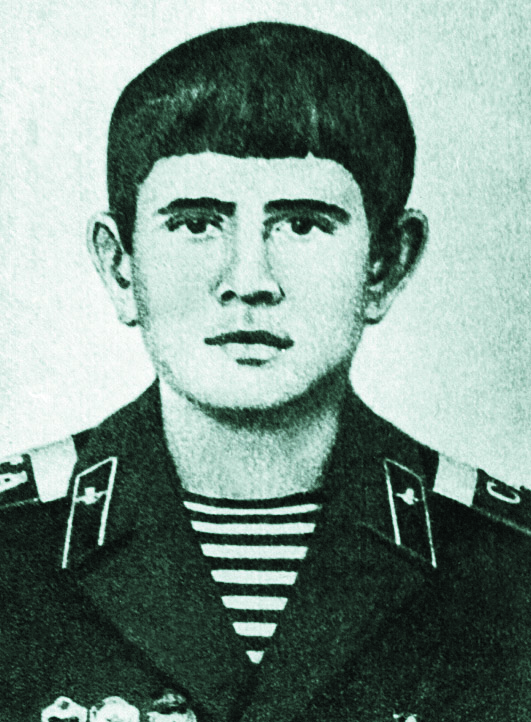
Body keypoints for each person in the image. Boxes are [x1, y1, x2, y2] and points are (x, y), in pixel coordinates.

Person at [1, 21, 530, 722]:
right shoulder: (14, 548)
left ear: (385, 265)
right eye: (195, 223)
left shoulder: (506, 569)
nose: (248, 280)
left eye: (303, 224)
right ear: (119, 266)